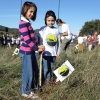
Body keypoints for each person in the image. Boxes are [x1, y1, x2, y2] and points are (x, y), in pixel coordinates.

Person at [19, 1, 45, 99]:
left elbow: (33, 39)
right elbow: (27, 39)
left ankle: (31, 89)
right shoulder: (22, 23)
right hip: (26, 52)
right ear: (25, 10)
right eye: (30, 11)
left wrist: (38, 45)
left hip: (31, 52)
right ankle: (25, 92)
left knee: (34, 71)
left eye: (33, 12)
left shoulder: (28, 23)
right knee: (28, 73)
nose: (32, 14)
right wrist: (36, 48)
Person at [38, 10, 60, 84]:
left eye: (52, 20)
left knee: (50, 68)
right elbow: (40, 40)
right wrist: (40, 49)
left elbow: (58, 42)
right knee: (46, 69)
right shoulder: (42, 29)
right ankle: (44, 82)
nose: (50, 22)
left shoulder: (56, 30)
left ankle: (49, 82)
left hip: (53, 54)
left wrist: (58, 51)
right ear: (45, 20)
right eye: (48, 20)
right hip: (45, 53)